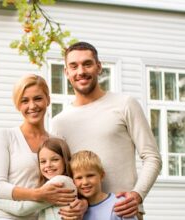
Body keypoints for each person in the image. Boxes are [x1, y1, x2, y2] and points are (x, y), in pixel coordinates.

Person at [51, 41, 162, 219]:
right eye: (74, 66)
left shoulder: (125, 104)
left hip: (125, 212)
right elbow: (60, 174)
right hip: (82, 215)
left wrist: (137, 195)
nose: (81, 71)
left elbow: (152, 157)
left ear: (98, 67)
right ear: (66, 72)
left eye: (87, 64)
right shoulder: (59, 122)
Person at [0, 74, 85, 220]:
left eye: (38, 98)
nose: (32, 106)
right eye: (24, 101)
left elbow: (71, 180)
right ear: (18, 105)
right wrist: (38, 194)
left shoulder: (57, 142)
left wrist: (83, 203)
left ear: (48, 100)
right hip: (8, 216)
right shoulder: (5, 136)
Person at [0, 137, 77, 220]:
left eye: (55, 159)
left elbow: (21, 209)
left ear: (65, 161)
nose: (48, 165)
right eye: (43, 161)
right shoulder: (68, 182)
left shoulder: (59, 183)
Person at [70, 150, 137, 220]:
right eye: (79, 178)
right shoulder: (75, 210)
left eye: (90, 175)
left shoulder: (120, 205)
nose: (85, 182)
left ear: (102, 176)